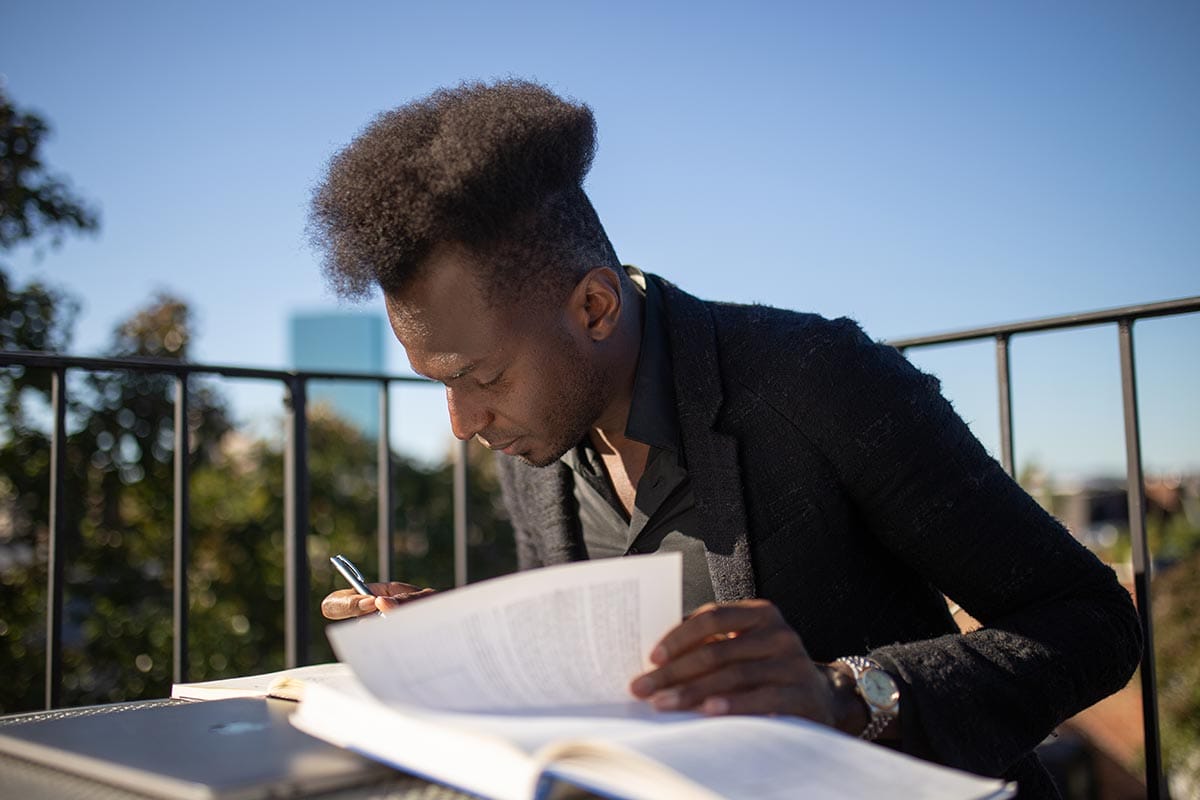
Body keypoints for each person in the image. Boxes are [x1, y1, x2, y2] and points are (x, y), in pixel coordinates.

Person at [313, 79, 1140, 797]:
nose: (461, 424)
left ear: (595, 308)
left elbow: (1092, 622)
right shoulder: (535, 448)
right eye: (442, 383)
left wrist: (848, 695)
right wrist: (457, 643)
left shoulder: (815, 379)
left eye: (482, 378)